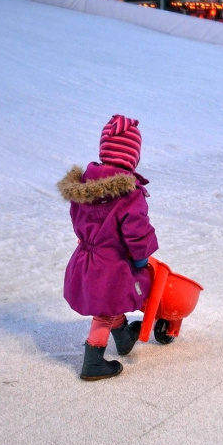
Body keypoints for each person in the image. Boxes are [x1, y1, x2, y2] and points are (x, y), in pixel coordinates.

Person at [57, 114, 159, 381]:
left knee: (109, 301)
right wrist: (141, 257)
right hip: (111, 262)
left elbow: (77, 218)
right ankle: (93, 362)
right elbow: (136, 230)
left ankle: (124, 337)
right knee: (104, 310)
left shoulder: (84, 187)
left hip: (87, 256)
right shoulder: (129, 193)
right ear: (132, 157)